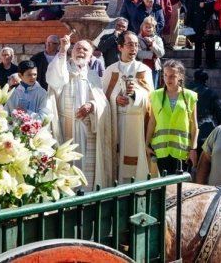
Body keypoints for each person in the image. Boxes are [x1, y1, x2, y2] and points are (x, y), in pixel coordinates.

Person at [47, 36, 113, 189]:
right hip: (65, 128)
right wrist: (62, 49)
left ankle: (86, 200)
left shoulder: (93, 76)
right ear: (71, 52)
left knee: (85, 171)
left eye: (85, 49)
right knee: (66, 169)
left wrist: (92, 105)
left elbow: (103, 103)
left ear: (91, 56)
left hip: (87, 130)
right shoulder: (63, 70)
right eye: (77, 48)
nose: (81, 51)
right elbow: (53, 79)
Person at [102, 31, 154, 183]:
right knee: (116, 159)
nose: (134, 49)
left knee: (133, 163)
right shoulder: (110, 70)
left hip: (136, 123)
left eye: (136, 45)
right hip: (115, 122)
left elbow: (150, 98)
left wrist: (134, 95)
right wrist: (115, 98)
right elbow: (102, 97)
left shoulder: (144, 70)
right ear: (120, 47)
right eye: (130, 44)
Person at [146, 59, 198, 177]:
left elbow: (194, 125)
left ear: (180, 76)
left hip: (182, 150)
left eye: (172, 76)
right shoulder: (155, 95)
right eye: (165, 75)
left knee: (180, 187)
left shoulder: (190, 96)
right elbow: (152, 122)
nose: (168, 79)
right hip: (161, 150)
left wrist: (193, 149)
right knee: (165, 188)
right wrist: (146, 144)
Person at [189, 69, 221, 157]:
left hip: (187, 133)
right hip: (205, 133)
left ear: (194, 78)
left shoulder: (185, 92)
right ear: (206, 80)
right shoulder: (211, 94)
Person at [188, 0, 217, 69]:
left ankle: (211, 63)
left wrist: (204, 4)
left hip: (209, 22)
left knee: (210, 44)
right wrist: (189, 22)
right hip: (197, 21)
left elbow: (214, 5)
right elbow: (190, 8)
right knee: (198, 44)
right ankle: (197, 64)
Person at [136, 16, 164, 87]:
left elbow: (161, 53)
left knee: (153, 89)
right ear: (142, 26)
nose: (148, 29)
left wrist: (153, 45)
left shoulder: (158, 39)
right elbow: (138, 54)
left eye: (150, 27)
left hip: (154, 68)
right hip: (141, 68)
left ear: (153, 28)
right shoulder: (137, 39)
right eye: (146, 26)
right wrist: (153, 55)